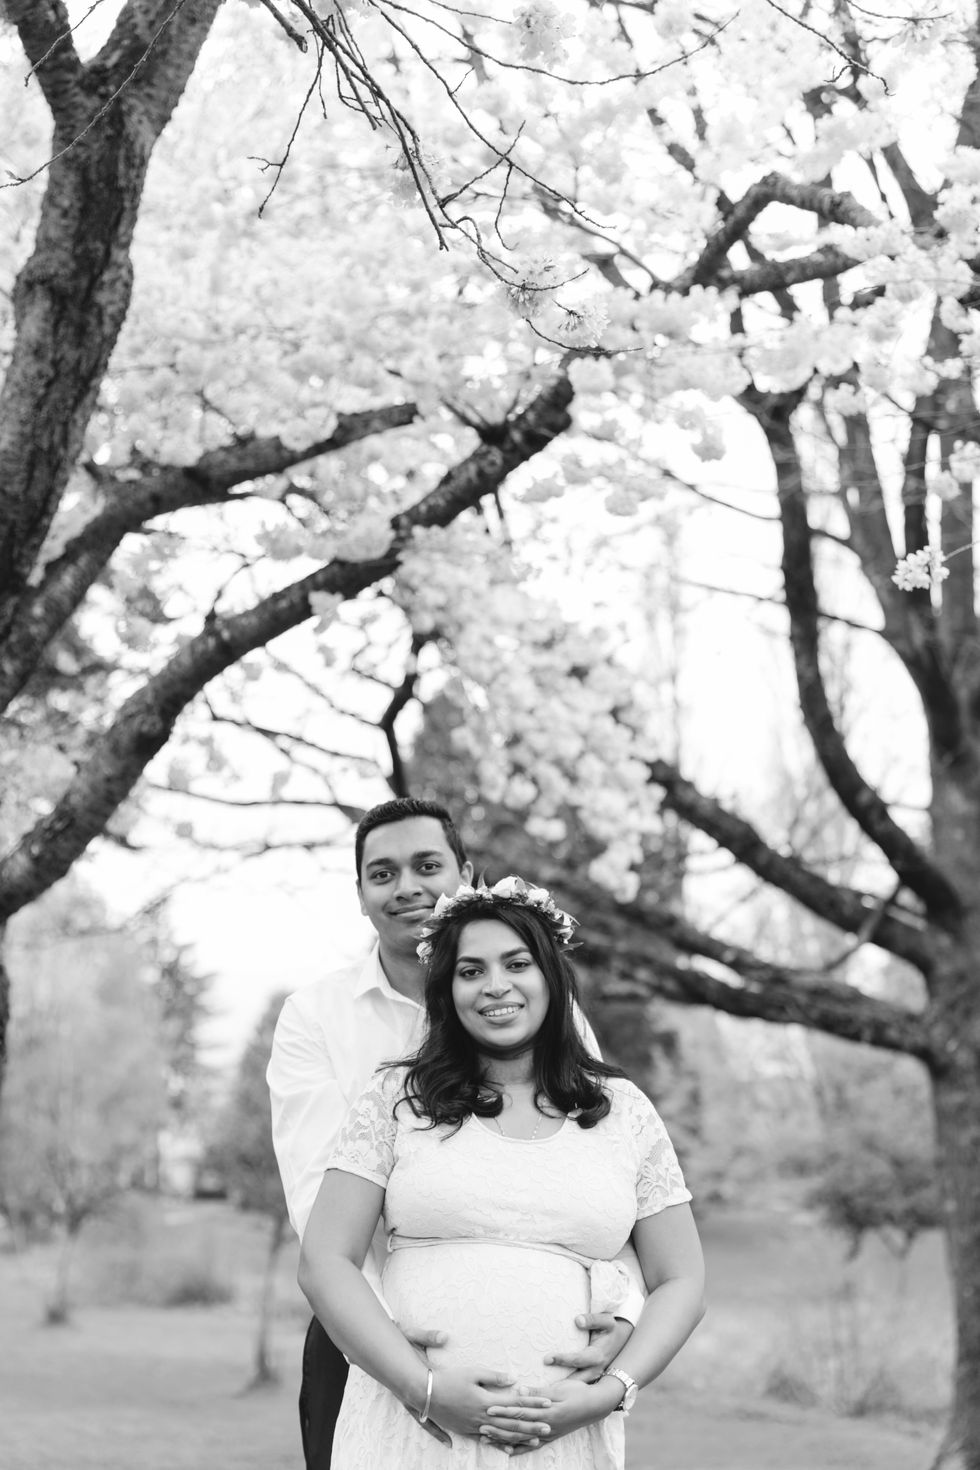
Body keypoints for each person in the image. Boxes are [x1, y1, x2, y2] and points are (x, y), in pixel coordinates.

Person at [267, 799, 639, 1467]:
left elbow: (605, 1172)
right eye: (383, 874)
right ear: (360, 895)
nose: (406, 887)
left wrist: (624, 1312)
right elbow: (314, 1196)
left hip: (550, 1377)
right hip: (363, 1342)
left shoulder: (544, 1010)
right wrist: (405, 1359)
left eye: (427, 865)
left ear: (466, 877)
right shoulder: (316, 1018)